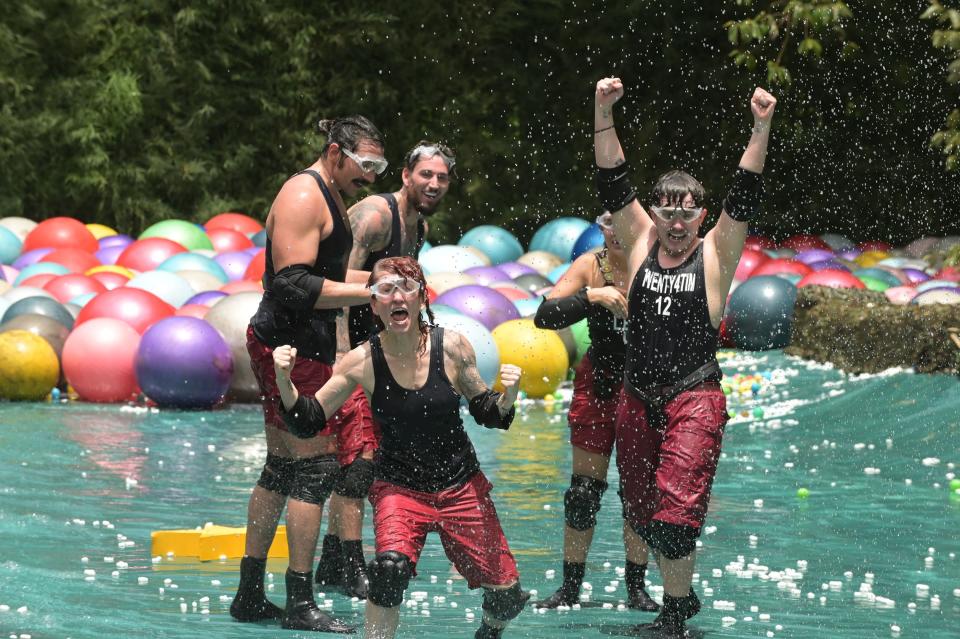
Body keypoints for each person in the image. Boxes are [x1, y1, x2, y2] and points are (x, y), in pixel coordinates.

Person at [593, 76, 776, 637]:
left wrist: (761, 125)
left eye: (687, 214)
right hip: (637, 397)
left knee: (674, 522)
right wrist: (603, 112)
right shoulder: (641, 239)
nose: (675, 224)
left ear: (700, 217)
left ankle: (673, 618)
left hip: (694, 395)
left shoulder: (718, 250)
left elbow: (743, 191)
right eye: (667, 213)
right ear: (654, 213)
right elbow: (612, 178)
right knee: (643, 516)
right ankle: (678, 595)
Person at [274, 256, 529, 639]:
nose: (397, 297)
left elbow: (487, 412)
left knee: (508, 597)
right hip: (399, 488)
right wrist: (283, 379)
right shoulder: (362, 361)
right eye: (385, 290)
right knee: (388, 570)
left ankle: (489, 633)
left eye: (406, 288)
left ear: (421, 297)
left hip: (460, 484)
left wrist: (508, 397)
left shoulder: (453, 347)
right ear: (373, 304)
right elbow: (308, 419)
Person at [231, 116, 389, 633]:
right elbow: (293, 285)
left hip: (299, 345)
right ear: (336, 152)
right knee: (315, 470)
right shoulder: (305, 194)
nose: (369, 178)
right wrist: (373, 294)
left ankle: (249, 594)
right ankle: (300, 601)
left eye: (378, 167)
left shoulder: (330, 192)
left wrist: (389, 278)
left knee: (280, 467)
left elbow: (326, 272)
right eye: (365, 165)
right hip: (287, 347)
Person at [316, 142, 457, 599]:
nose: (433, 184)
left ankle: (332, 561)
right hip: (341, 351)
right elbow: (339, 284)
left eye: (441, 177)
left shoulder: (420, 225)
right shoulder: (377, 215)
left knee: (366, 458)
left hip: (377, 356)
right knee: (358, 464)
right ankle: (352, 565)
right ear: (405, 174)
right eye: (426, 175)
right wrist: (341, 357)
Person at [531, 212, 659, 612]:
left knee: (639, 492)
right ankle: (570, 587)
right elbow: (544, 316)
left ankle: (636, 587)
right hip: (599, 382)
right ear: (600, 229)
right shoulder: (591, 264)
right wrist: (592, 296)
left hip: (646, 386)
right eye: (608, 224)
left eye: (625, 223)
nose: (617, 232)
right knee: (582, 494)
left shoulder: (659, 263)